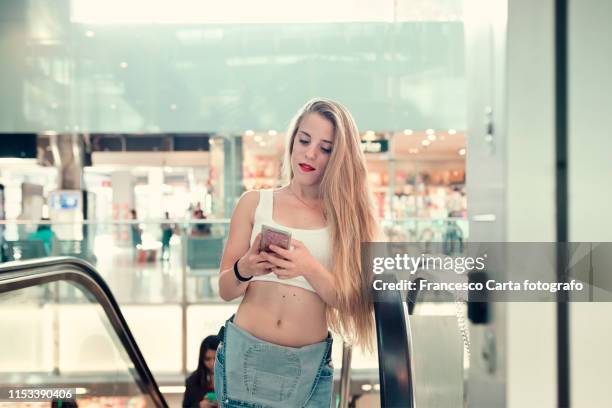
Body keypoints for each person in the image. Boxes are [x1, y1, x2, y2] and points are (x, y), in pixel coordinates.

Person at [216, 98, 379, 407]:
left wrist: (309, 267)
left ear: (339, 156)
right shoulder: (254, 202)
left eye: (326, 148)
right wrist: (246, 267)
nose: (310, 153)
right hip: (243, 360)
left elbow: (354, 304)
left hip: (307, 371)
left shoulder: (347, 219)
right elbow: (225, 289)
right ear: (292, 141)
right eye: (304, 140)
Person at [183, 335, 220, 408]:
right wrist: (199, 406)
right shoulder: (192, 381)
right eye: (207, 359)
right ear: (202, 359)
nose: (212, 364)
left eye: (216, 358)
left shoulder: (232, 379)